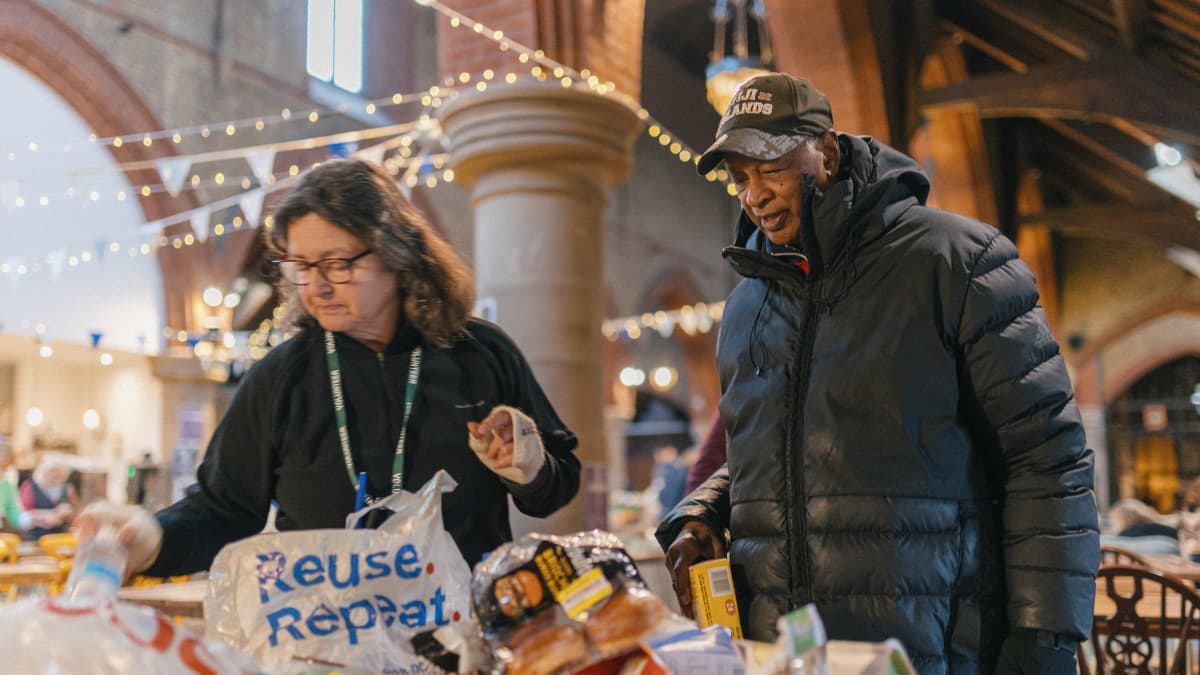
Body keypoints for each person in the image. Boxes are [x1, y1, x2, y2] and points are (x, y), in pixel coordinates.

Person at [656, 74, 1098, 674]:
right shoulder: (745, 308)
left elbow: (1047, 461)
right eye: (739, 178)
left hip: (931, 646)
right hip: (787, 653)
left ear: (828, 152)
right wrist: (705, 509)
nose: (754, 195)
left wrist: (1042, 640)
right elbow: (775, 452)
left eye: (770, 168)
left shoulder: (958, 262)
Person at [77, 158, 581, 577]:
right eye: (300, 267)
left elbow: (554, 490)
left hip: (466, 639)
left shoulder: (481, 353)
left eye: (338, 265)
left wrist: (528, 464)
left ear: (396, 252)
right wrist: (151, 539)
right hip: (328, 639)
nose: (315, 287)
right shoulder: (281, 377)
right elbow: (223, 510)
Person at [20, 453, 78, 539]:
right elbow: (21, 514)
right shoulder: (29, 486)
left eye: (61, 472)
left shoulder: (68, 488)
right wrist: (45, 515)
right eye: (53, 471)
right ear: (43, 471)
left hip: (61, 537)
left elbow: (75, 513)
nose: (57, 475)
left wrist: (67, 514)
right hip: (35, 537)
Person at [0, 444, 30, 535]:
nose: (1, 471)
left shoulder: (7, 486)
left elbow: (15, 513)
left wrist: (30, 519)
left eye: (4, 467)